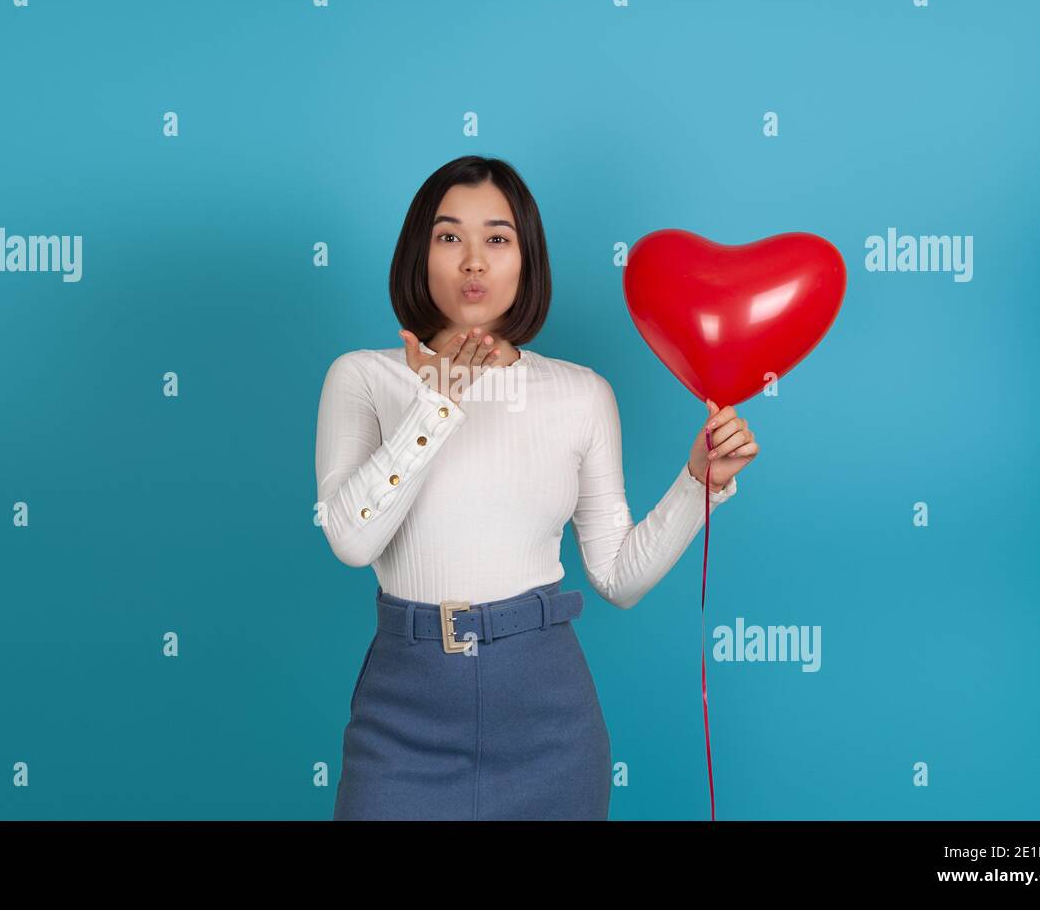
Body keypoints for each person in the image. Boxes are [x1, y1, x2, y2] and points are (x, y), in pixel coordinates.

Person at [315, 155, 759, 820]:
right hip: (402, 716)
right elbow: (352, 539)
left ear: (526, 260)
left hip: (547, 722)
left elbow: (618, 577)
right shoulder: (362, 378)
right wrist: (438, 407)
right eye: (448, 236)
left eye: (497, 238)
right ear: (419, 253)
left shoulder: (580, 394)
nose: (473, 261)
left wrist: (699, 482)